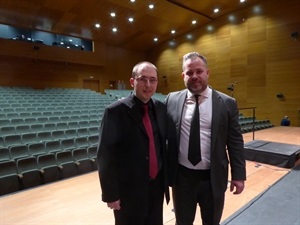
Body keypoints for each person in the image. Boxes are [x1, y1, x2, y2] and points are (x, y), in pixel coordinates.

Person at [165, 52, 246, 225]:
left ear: (207, 73)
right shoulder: (171, 100)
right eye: (189, 73)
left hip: (213, 178)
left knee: (212, 222)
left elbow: (235, 142)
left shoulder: (227, 103)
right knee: (182, 222)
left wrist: (238, 175)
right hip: (182, 179)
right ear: (183, 76)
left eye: (199, 71)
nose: (194, 76)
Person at [97, 61, 170, 225]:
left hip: (156, 188)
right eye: (143, 79)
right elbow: (105, 156)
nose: (148, 84)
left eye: (153, 80)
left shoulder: (161, 108)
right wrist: (110, 194)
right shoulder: (115, 112)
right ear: (132, 82)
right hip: (128, 192)